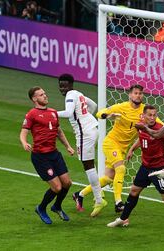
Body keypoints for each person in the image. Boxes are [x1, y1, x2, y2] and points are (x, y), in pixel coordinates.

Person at [74, 84, 160, 213]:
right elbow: (100, 112)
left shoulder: (145, 112)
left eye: (140, 93)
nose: (138, 95)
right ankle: (118, 202)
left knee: (108, 178)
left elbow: (161, 124)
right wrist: (107, 115)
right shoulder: (120, 107)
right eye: (135, 93)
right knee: (121, 168)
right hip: (111, 143)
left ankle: (79, 194)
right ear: (130, 95)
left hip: (123, 148)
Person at [107, 105, 164, 230]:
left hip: (159, 169)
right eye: (150, 115)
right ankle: (123, 219)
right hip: (145, 166)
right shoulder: (140, 126)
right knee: (134, 191)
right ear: (143, 116)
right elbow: (141, 138)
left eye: (155, 115)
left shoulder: (161, 130)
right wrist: (132, 149)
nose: (152, 118)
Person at [19, 86, 74, 224]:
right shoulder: (31, 114)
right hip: (40, 157)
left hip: (54, 154)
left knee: (67, 183)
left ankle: (57, 206)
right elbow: (23, 131)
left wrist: (68, 146)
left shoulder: (53, 112)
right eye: (41, 95)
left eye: (45, 93)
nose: (45, 96)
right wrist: (24, 142)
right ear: (34, 98)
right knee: (57, 187)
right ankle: (41, 208)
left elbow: (59, 132)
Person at [57, 74, 107, 217]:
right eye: (61, 85)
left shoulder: (70, 95)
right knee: (89, 165)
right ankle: (99, 195)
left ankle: (99, 199)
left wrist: (51, 113)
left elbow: (67, 113)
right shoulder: (78, 94)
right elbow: (94, 106)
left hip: (85, 133)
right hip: (92, 129)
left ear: (71, 85)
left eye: (65, 85)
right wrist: (86, 117)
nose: (62, 88)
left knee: (88, 165)